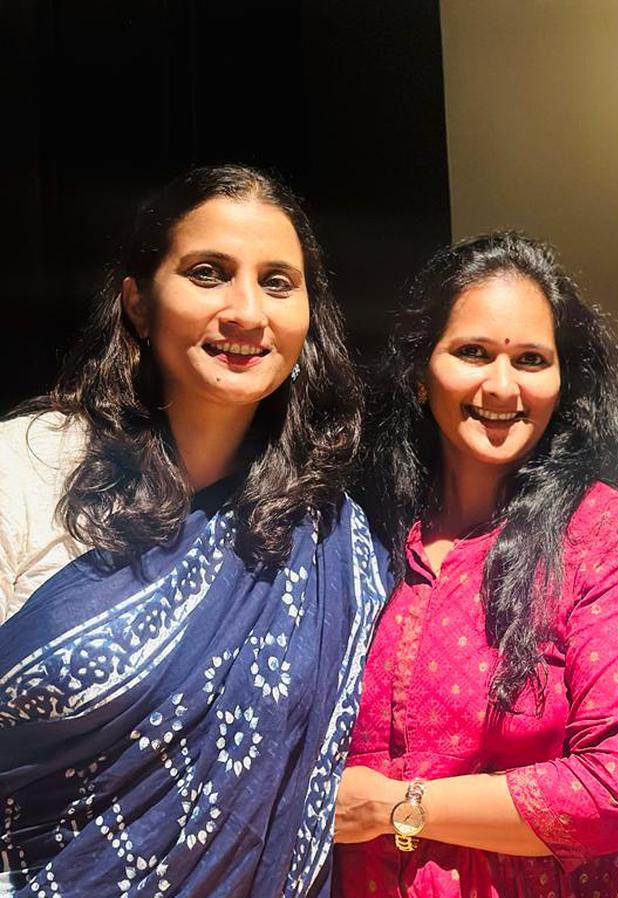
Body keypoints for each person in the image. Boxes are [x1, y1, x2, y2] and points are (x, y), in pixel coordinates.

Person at [0, 165, 388, 897]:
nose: (246, 311)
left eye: (279, 282)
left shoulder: (331, 532)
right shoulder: (22, 472)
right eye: (208, 273)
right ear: (138, 304)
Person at [331, 232, 618, 898]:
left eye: (531, 359)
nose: (503, 386)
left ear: (563, 381)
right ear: (420, 371)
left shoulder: (604, 537)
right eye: (473, 352)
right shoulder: (358, 534)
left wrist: (396, 808)